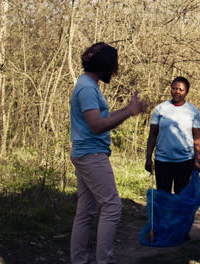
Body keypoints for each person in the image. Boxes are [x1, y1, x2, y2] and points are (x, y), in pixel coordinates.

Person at [70, 42, 145, 264]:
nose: (115, 70)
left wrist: (126, 110)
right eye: (114, 65)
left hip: (86, 153)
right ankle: (104, 260)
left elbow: (99, 118)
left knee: (85, 212)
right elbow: (96, 125)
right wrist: (129, 112)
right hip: (91, 154)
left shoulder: (88, 85)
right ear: (104, 65)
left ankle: (79, 260)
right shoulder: (86, 88)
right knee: (112, 206)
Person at [145, 76, 200, 194]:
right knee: (163, 196)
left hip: (185, 161)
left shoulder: (193, 111)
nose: (177, 92)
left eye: (181, 90)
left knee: (181, 197)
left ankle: (178, 213)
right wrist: (148, 158)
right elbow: (152, 135)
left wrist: (197, 160)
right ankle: (163, 213)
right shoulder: (160, 109)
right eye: (174, 88)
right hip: (162, 160)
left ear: (186, 92)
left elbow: (197, 138)